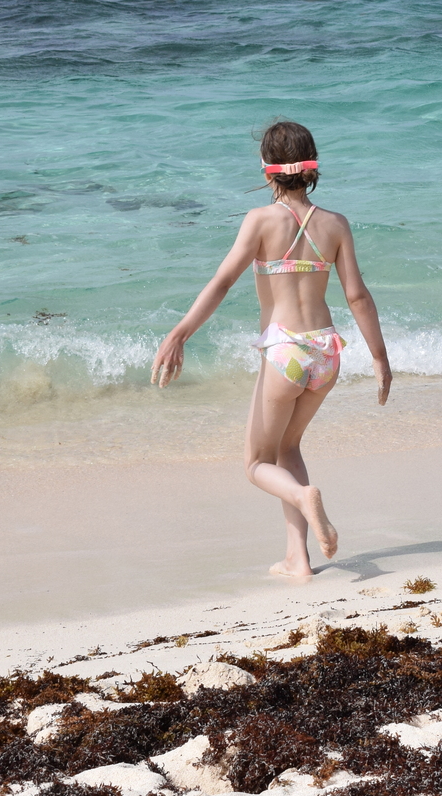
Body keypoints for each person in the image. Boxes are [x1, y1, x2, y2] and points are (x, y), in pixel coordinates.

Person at [151, 121, 392, 577]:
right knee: (289, 447)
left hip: (285, 351)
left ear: (267, 170)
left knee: (256, 463)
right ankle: (297, 558)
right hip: (325, 351)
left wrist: (180, 332)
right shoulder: (335, 224)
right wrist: (380, 358)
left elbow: (222, 282)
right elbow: (357, 296)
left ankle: (302, 495)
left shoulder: (260, 220)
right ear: (313, 166)